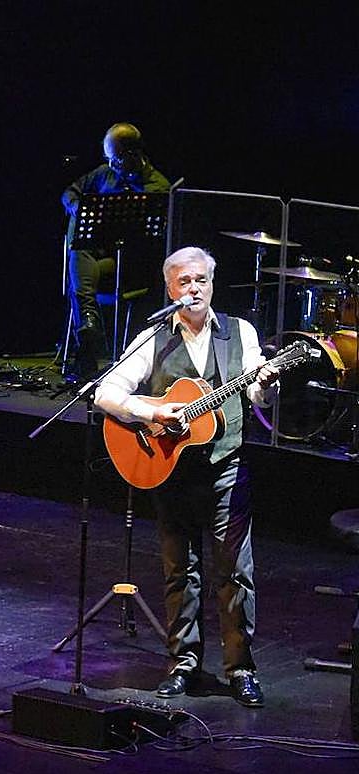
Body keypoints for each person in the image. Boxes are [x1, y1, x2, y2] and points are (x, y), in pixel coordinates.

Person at [95, 246, 280, 707]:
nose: (193, 289)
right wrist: (152, 409)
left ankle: (240, 668)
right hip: (170, 469)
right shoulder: (153, 336)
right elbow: (106, 392)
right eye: (184, 282)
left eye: (200, 280)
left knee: (236, 572)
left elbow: (257, 393)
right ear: (170, 288)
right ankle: (183, 663)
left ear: (212, 283)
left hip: (226, 468)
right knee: (181, 571)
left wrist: (268, 386)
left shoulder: (241, 333)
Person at [62, 122, 171, 379]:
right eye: (108, 158)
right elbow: (69, 193)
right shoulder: (103, 174)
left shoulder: (158, 187)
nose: (111, 165)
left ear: (133, 154)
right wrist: (79, 209)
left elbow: (150, 243)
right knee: (80, 253)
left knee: (78, 279)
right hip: (97, 259)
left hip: (129, 264)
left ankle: (87, 337)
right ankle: (88, 328)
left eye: (116, 159)